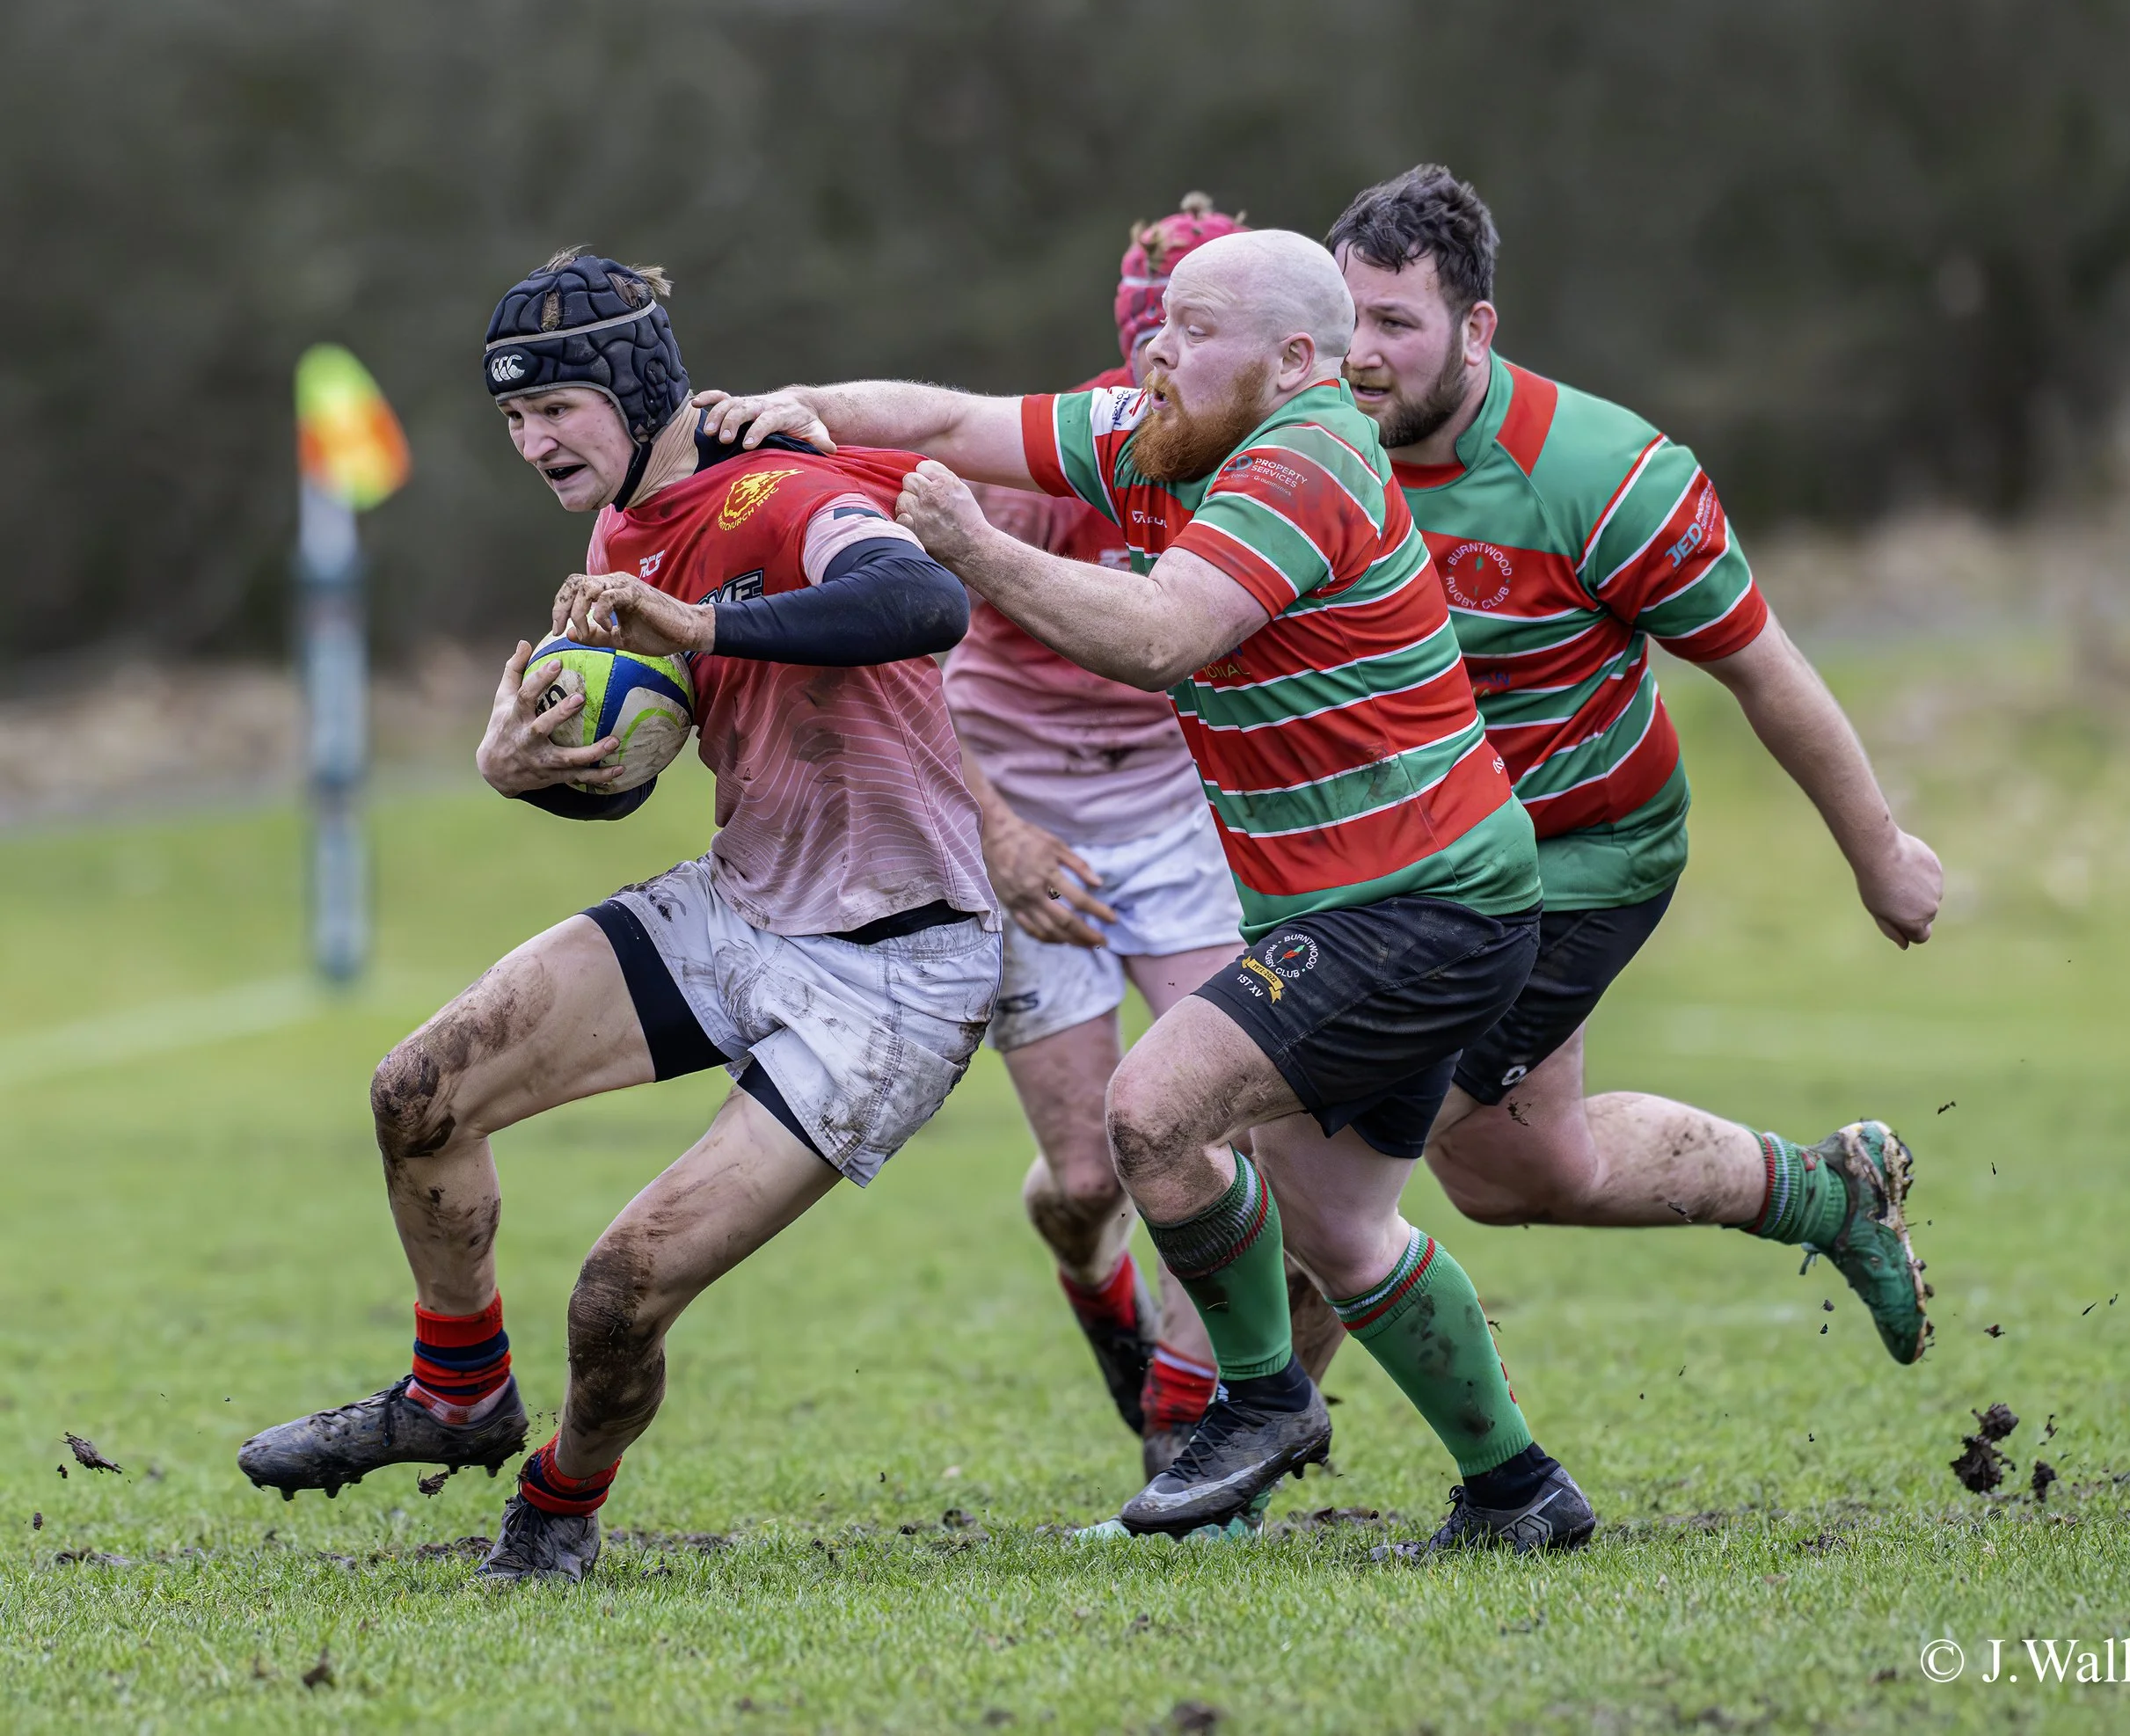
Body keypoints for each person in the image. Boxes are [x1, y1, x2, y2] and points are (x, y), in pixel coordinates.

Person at [699, 227, 1601, 1556]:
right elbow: (954, 418)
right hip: (1393, 906)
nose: (1159, 354)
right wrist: (811, 413)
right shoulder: (1165, 426)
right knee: (1346, 1236)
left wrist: (974, 550)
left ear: (1300, 359)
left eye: (1194, 330)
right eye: (1159, 326)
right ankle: (1518, 1488)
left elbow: (1166, 634)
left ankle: (1255, 1404)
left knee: (1153, 1109)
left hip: (1421, 908)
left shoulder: (1304, 461)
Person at [235, 251, 999, 1585]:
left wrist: (701, 624)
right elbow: (643, 762)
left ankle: (558, 1498)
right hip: (744, 901)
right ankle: (456, 1388)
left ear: (639, 386)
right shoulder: (619, 537)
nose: (534, 441)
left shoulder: (781, 484)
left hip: (897, 966)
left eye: (559, 409)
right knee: (416, 1091)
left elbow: (927, 601)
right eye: (514, 419)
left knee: (618, 1291)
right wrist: (533, 772)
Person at [1278, 164, 1943, 1386]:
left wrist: (1880, 853)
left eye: (1393, 323)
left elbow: (1766, 670)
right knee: (1517, 1168)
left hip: (1578, 852)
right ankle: (1828, 1190)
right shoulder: (1306, 446)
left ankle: (1256, 1435)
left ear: (1477, 327)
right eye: (1343, 318)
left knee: (1342, 1108)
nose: (1358, 354)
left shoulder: (1603, 476)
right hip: (1403, 851)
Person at [948, 194, 1248, 1477]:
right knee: (1083, 1179)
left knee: (1217, 1134)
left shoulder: (1286, 469)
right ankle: (1097, 1286)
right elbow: (901, 677)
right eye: (1159, 347)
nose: (1176, 374)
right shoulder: (1037, 474)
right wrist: (1000, 836)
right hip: (1025, 813)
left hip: (1176, 810)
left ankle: (1186, 1424)